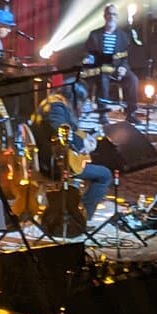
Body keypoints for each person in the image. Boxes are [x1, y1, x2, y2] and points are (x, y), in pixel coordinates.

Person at [33, 84, 112, 222]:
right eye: (81, 102)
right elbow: (62, 130)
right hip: (53, 164)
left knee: (93, 164)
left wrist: (84, 137)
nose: (80, 107)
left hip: (46, 158)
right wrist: (82, 145)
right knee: (104, 175)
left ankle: (75, 207)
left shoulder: (50, 102)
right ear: (74, 99)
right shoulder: (56, 107)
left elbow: (70, 128)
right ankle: (81, 218)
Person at [83, 2, 141, 124]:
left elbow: (125, 57)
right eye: (109, 14)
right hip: (101, 67)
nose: (111, 17)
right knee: (103, 77)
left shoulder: (123, 36)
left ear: (117, 17)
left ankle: (131, 113)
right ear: (105, 16)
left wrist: (123, 68)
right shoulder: (95, 35)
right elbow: (89, 53)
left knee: (133, 79)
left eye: (114, 14)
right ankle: (102, 114)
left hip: (117, 67)